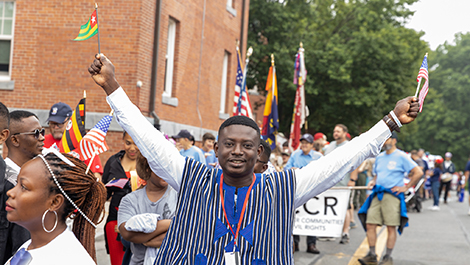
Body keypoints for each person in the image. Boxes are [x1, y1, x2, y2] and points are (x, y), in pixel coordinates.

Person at [88, 54, 419, 264]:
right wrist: (113, 86)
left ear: (259, 152)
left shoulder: (283, 188)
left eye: (246, 146)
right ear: (215, 150)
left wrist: (389, 121)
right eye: (228, 144)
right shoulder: (191, 177)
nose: (236, 151)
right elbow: (149, 139)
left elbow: (341, 160)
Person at [5, 151, 106, 264]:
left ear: (54, 202)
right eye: (16, 183)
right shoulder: (30, 246)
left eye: (24, 187)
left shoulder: (70, 259)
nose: (10, 192)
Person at [358, 132, 423, 265]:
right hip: (377, 194)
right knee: (370, 224)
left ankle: (387, 257)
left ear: (394, 141)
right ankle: (372, 255)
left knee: (391, 226)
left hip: (392, 195)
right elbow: (377, 175)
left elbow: (419, 172)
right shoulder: (380, 157)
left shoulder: (401, 156)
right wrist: (373, 182)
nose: (383, 142)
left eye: (386, 139)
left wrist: (406, 187)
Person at [118, 153, 177, 265]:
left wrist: (142, 237)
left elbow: (185, 233)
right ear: (146, 169)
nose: (165, 172)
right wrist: (170, 223)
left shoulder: (180, 196)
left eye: (168, 167)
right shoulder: (130, 200)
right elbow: (127, 234)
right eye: (159, 168)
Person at [101, 131, 140, 265]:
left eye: (136, 143)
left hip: (139, 225)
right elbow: (104, 193)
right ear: (122, 140)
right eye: (128, 143)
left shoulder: (147, 163)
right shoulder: (113, 161)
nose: (132, 148)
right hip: (114, 222)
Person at [44, 102, 104, 180]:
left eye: (59, 124)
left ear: (69, 122)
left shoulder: (84, 143)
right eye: (52, 124)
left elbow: (96, 177)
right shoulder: (41, 141)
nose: (55, 127)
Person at [284, 133, 322, 254]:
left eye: (307, 143)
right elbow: (286, 168)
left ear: (312, 145)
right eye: (303, 142)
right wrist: (293, 170)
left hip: (312, 191)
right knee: (296, 217)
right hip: (297, 189)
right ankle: (295, 243)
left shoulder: (319, 157)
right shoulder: (295, 154)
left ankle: (311, 244)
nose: (304, 145)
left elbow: (322, 172)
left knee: (311, 216)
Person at [324, 124, 353, 244]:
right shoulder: (330, 146)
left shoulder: (349, 146)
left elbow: (355, 163)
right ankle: (330, 232)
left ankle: (345, 232)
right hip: (328, 184)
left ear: (345, 133)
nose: (335, 133)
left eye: (338, 131)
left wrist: (352, 179)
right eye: (334, 131)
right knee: (329, 207)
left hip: (343, 183)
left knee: (344, 208)